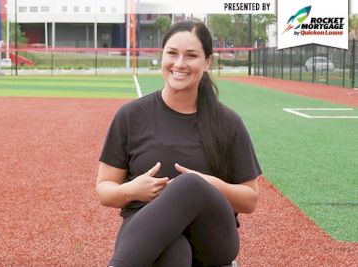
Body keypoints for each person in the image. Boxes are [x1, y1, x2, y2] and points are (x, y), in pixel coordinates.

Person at [96, 20, 261, 267]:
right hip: (143, 229)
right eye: (172, 53)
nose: (180, 63)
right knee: (174, 252)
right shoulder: (131, 115)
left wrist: (208, 184)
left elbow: (249, 200)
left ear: (207, 62)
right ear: (162, 57)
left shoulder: (228, 123)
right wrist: (130, 190)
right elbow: (104, 190)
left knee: (190, 185)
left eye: (191, 55)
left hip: (212, 240)